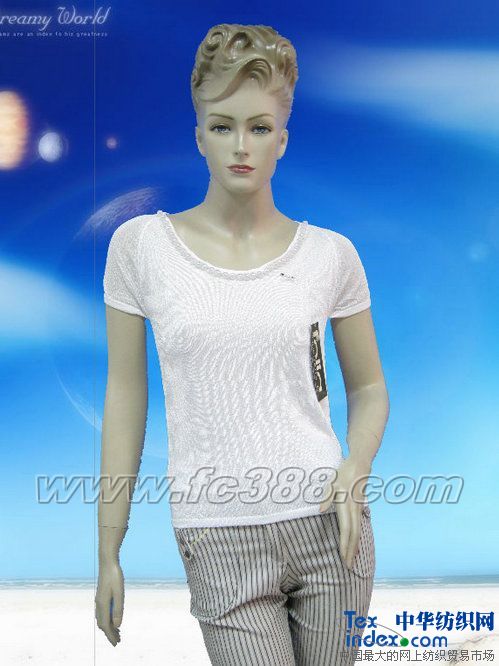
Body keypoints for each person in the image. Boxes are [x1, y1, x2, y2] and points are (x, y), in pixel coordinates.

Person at [95, 23, 390, 665]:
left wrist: (355, 469)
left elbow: (368, 387)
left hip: (330, 528)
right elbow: (125, 396)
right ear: (198, 134)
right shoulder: (142, 249)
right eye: (222, 125)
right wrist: (108, 548)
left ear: (282, 138)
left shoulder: (331, 256)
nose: (240, 146)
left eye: (259, 127)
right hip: (216, 536)